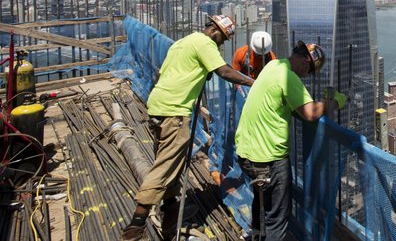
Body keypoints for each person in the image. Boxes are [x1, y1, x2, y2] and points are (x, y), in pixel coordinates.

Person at [121, 15, 255, 241]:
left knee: (171, 166)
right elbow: (225, 71)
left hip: (158, 106)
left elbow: (167, 72)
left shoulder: (184, 42)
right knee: (164, 168)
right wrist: (253, 83)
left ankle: (171, 215)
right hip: (175, 113)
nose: (220, 44)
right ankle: (135, 227)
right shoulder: (205, 43)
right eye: (222, 39)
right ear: (215, 31)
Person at [234, 40, 346, 240]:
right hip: (268, 158)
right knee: (277, 217)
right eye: (309, 71)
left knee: (262, 204)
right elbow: (310, 113)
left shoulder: (272, 66)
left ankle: (257, 236)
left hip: (245, 153)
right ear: (305, 63)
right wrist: (334, 102)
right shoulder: (289, 77)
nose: (307, 76)